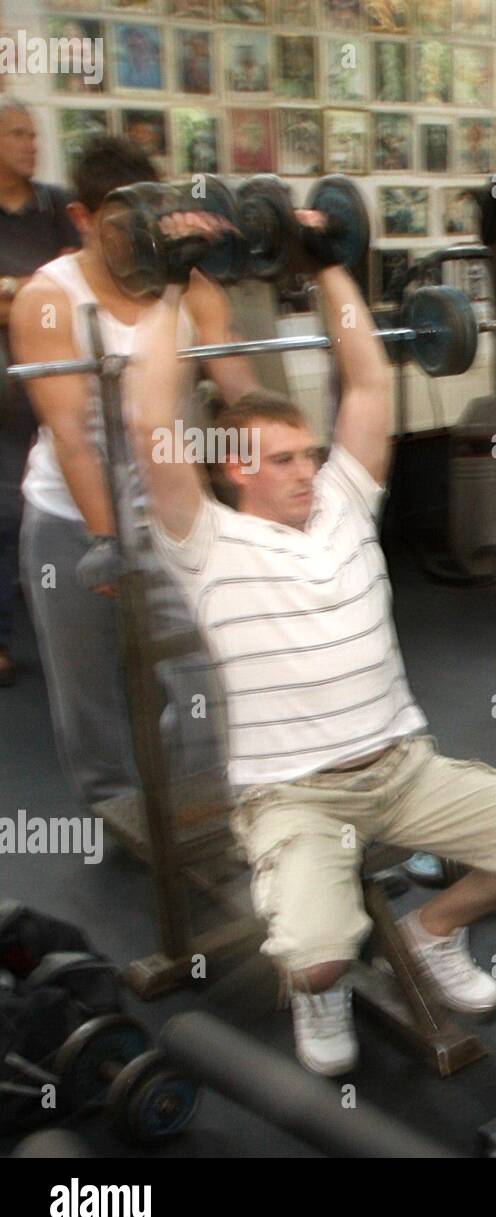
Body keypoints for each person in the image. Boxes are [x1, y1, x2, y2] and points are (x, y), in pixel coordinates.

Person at [126, 213, 496, 1076]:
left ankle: (430, 930)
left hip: (405, 770)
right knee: (320, 954)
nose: (302, 471)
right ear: (230, 468)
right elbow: (148, 423)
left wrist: (330, 268)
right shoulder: (205, 542)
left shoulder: (344, 504)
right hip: (296, 796)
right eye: (279, 460)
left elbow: (366, 382)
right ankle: (319, 985)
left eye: (307, 454)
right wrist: (168, 287)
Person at [10, 135, 257, 804]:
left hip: (171, 509)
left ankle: (193, 805)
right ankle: (119, 817)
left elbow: (240, 389)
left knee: (206, 671)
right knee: (89, 690)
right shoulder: (48, 297)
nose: (138, 241)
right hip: (71, 518)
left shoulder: (189, 286)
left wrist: (282, 479)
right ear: (83, 220)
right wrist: (104, 540)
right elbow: (70, 435)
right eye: (123, 227)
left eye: (149, 222)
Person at [0, 99, 80, 688]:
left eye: (34, 133)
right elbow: (51, 291)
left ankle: (74, 615)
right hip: (5, 390)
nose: (32, 143)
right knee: (4, 512)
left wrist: (15, 293)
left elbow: (75, 288)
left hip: (56, 378)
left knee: (59, 499)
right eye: (19, 134)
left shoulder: (55, 207)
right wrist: (36, 291)